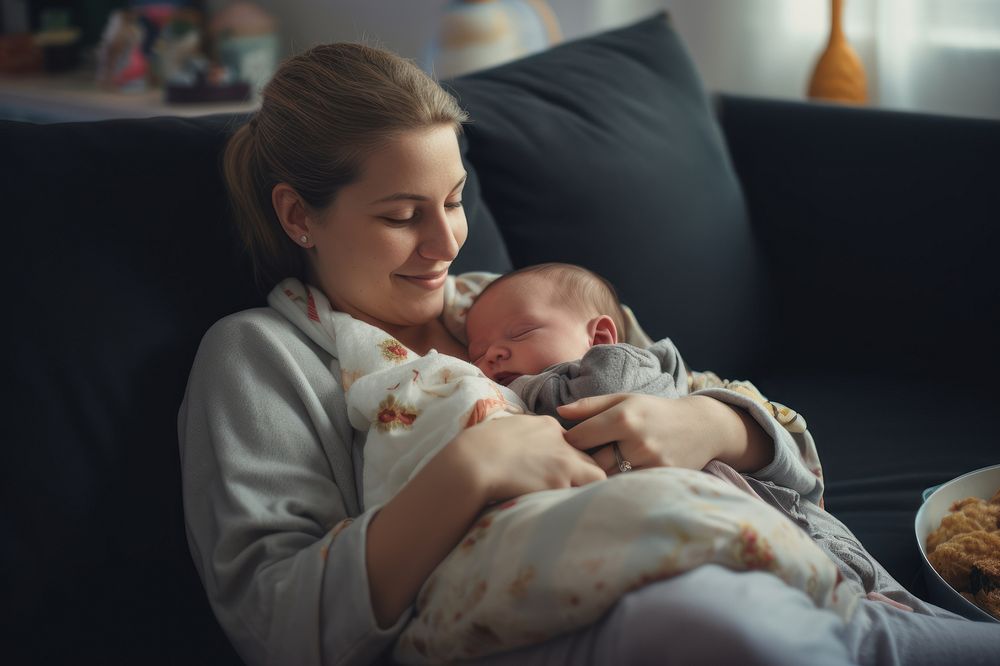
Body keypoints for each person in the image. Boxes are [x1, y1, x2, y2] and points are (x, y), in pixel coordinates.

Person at [177, 42, 1000, 666]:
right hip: (578, 616)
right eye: (401, 216)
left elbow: (795, 460)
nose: (444, 243)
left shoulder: (514, 300)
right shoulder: (260, 358)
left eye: (456, 201)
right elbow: (272, 621)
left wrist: (709, 426)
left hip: (759, 556)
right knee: (722, 628)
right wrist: (469, 473)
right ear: (298, 216)